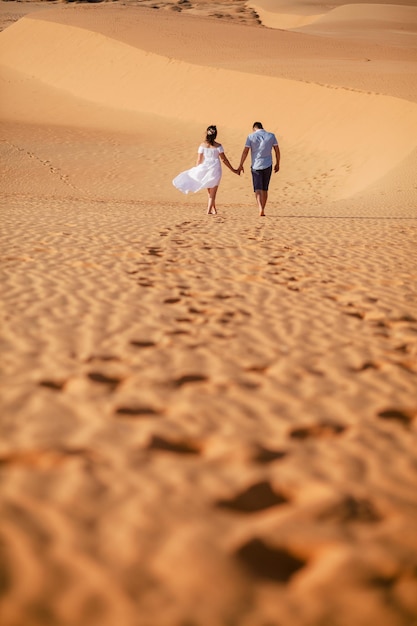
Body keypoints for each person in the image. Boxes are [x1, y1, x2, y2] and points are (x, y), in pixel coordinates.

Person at [173, 125, 238, 215]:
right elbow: (224, 160)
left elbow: (199, 160)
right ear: (215, 135)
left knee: (210, 191)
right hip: (215, 169)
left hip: (205, 168)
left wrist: (197, 169)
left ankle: (214, 210)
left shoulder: (202, 145)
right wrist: (233, 170)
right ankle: (208, 211)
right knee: (213, 192)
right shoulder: (218, 146)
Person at [237, 122, 280, 216]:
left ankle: (260, 208)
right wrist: (278, 163)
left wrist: (241, 164)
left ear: (254, 128)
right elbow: (277, 150)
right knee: (265, 188)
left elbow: (245, 151)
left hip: (256, 165)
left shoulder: (251, 136)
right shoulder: (271, 136)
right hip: (268, 164)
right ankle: (263, 208)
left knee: (258, 188)